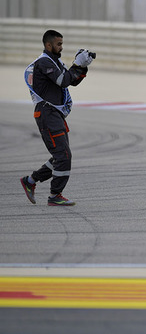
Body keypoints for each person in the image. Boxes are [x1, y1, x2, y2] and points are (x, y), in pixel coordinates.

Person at [20, 30, 93, 206]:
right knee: (63, 155)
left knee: (61, 155)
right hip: (47, 113)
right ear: (48, 45)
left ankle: (30, 181)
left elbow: (72, 81)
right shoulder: (44, 62)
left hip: (55, 114)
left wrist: (82, 66)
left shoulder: (54, 61)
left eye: (62, 43)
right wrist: (76, 64)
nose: (61, 47)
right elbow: (63, 81)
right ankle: (55, 195)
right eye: (59, 44)